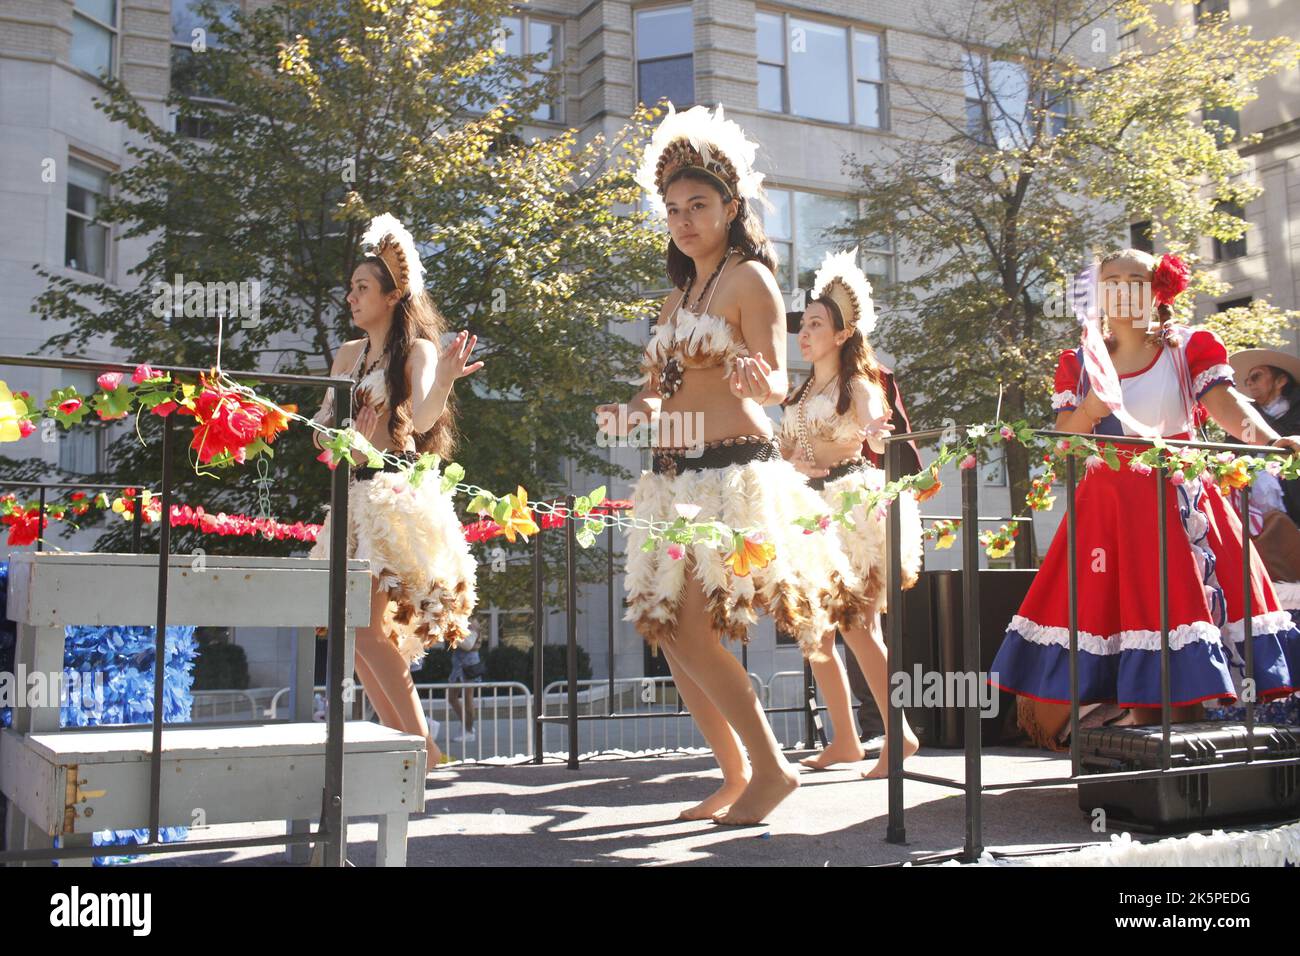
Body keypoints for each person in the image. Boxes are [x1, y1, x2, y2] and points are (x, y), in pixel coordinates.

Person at [597, 104, 862, 825]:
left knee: (691, 628)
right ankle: (737, 773)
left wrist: (757, 381)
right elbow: (658, 393)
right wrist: (630, 413)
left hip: (730, 475)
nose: (685, 221)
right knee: (666, 631)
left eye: (699, 206)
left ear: (730, 206)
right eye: (674, 209)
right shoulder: (672, 297)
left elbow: (778, 379)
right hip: (671, 478)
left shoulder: (751, 281)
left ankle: (772, 770)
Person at [989, 248, 1300, 749]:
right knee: (1121, 618)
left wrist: (1267, 439)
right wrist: (1091, 406)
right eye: (1111, 280)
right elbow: (1067, 440)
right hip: (1108, 511)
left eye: (1137, 280)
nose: (1124, 290)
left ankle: (1181, 747)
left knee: (1177, 616)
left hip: (1178, 504)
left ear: (1158, 292)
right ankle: (1139, 741)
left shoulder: (1187, 348)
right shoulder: (1079, 362)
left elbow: (1223, 403)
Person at [310, 213, 483, 770]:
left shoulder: (418, 351)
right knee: (355, 633)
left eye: (362, 288)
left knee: (366, 626)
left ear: (392, 295)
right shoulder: (346, 355)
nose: (351, 296)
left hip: (394, 495)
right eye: (351, 287)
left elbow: (427, 417)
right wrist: (341, 437)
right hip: (351, 501)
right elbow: (321, 431)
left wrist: (449, 379)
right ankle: (415, 750)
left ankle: (422, 751)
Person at [778, 248, 924, 777]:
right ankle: (844, 739)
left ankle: (899, 733)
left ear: (841, 334)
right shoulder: (798, 394)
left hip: (850, 512)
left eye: (815, 323)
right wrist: (792, 467)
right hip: (809, 512)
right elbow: (789, 454)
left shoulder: (856, 384)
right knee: (813, 630)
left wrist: (878, 435)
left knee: (859, 627)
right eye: (803, 324)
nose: (805, 331)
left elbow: (876, 424)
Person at [448, 619, 485, 743]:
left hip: (468, 664)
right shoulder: (462, 620)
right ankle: (467, 725)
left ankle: (469, 731)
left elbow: (469, 645)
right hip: (460, 664)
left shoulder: (472, 622)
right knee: (452, 697)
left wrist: (453, 636)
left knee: (468, 698)